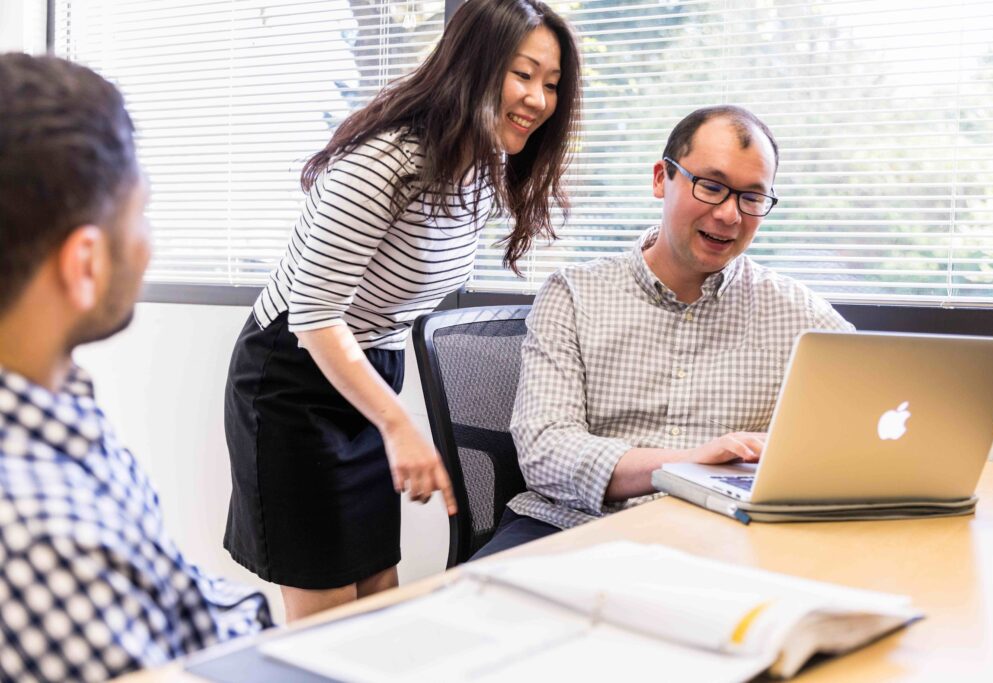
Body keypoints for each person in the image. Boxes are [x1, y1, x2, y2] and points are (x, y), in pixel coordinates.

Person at [222, 0, 582, 621]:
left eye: (551, 84)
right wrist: (397, 425)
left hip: (365, 371)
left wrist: (385, 415)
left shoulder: (479, 167)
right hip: (293, 382)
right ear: (475, 65)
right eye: (523, 74)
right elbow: (314, 317)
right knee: (326, 617)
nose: (538, 99)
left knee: (378, 593)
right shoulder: (384, 163)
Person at [473, 106, 855, 558]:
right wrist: (687, 462)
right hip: (569, 526)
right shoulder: (574, 294)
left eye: (752, 198)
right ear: (661, 179)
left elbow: (865, 431)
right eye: (711, 187)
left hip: (719, 538)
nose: (730, 215)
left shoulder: (802, 316)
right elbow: (545, 451)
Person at [0, 53, 271, 682]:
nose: (148, 243)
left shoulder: (58, 407)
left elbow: (176, 588)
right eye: (140, 215)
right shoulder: (43, 541)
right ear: (85, 263)